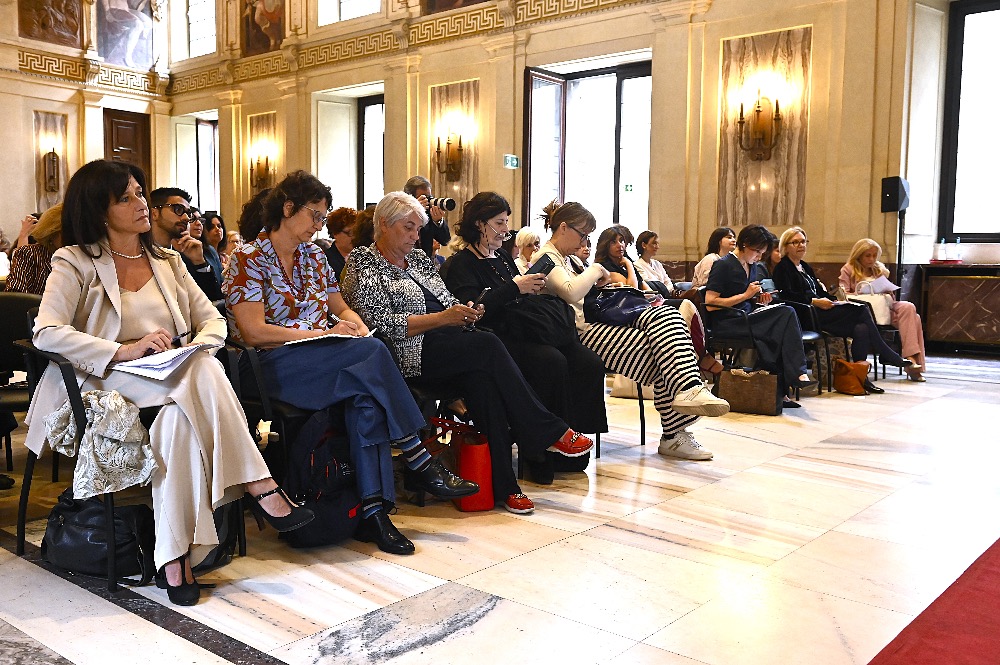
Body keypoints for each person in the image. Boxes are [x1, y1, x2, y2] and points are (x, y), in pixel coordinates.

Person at [24, 159, 313, 606]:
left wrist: (195, 346)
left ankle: (172, 559)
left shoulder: (168, 261)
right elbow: (47, 331)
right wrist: (123, 350)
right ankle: (260, 485)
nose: (143, 203)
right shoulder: (75, 259)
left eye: (140, 192)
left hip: (171, 377)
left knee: (180, 415)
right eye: (128, 197)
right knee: (200, 373)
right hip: (102, 382)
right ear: (100, 210)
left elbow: (213, 320)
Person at [225, 171, 479, 556]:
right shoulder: (248, 258)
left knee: (366, 397)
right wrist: (324, 337)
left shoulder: (313, 256)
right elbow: (255, 332)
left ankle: (375, 513)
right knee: (372, 356)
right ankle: (418, 457)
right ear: (288, 208)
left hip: (325, 360)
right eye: (315, 215)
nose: (318, 225)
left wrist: (355, 326)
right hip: (270, 366)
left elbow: (338, 305)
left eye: (322, 218)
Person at [342, 192, 595, 514]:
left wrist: (466, 311)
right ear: (382, 225)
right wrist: (443, 318)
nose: (414, 236)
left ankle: (506, 487)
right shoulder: (363, 263)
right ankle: (548, 429)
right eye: (408, 228)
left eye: (418, 229)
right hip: (407, 352)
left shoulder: (419, 260)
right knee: (489, 345)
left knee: (485, 383)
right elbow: (381, 325)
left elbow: (447, 300)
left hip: (449, 342)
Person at [536, 201, 729, 460]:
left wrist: (599, 276)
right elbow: (571, 292)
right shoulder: (545, 257)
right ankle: (676, 429)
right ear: (563, 228)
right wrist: (596, 270)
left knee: (668, 326)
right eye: (583, 234)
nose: (585, 241)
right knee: (667, 352)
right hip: (578, 334)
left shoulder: (568, 258)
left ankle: (685, 400)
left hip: (596, 325)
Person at [443, 192, 607, 484]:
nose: (506, 230)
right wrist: (517, 288)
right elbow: (473, 309)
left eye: (506, 222)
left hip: (522, 327)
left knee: (587, 361)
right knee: (550, 361)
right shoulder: (461, 264)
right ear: (480, 224)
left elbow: (515, 297)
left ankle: (574, 443)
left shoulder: (503, 258)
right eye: (499, 223)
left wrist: (528, 287)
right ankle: (540, 452)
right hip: (495, 336)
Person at [772, 227, 915, 394]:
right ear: (786, 246)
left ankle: (861, 379)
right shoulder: (783, 268)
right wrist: (815, 301)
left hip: (821, 312)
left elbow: (821, 292)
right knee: (861, 309)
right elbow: (787, 296)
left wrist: (833, 300)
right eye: (795, 242)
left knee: (861, 329)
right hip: (805, 315)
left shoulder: (804, 266)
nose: (800, 245)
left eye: (803, 241)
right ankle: (886, 354)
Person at [704, 224, 816, 406]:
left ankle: (780, 390)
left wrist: (758, 299)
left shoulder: (752, 265)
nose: (759, 257)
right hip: (729, 322)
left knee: (780, 327)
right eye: (757, 251)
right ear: (745, 244)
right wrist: (746, 295)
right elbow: (710, 303)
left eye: (762, 253)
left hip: (747, 317)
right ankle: (795, 375)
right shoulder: (723, 265)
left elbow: (748, 298)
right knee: (786, 312)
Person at [839, 238, 926, 381]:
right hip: (865, 310)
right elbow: (843, 295)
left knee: (909, 307)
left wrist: (885, 290)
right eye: (868, 255)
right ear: (859, 255)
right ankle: (912, 364)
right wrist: (863, 292)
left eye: (874, 255)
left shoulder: (879, 269)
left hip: (885, 307)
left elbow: (890, 296)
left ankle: (910, 359)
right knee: (915, 319)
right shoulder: (848, 269)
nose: (872, 259)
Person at [148, 187, 223, 301]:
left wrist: (199, 264)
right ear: (155, 213)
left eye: (188, 213)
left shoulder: (183, 255)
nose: (186, 218)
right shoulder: (137, 254)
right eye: (178, 210)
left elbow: (212, 300)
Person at [6, 204, 63, 295]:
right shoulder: (29, 253)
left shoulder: (80, 256)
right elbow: (16, 296)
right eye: (66, 232)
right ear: (51, 233)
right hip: (35, 308)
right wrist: (24, 233)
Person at [403, 175, 450, 257]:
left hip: (425, 262)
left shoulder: (429, 214)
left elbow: (445, 240)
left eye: (429, 197)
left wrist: (438, 221)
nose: (428, 200)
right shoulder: (401, 213)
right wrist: (414, 211)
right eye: (424, 197)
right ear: (410, 198)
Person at [323, 207, 356, 279]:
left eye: (356, 232)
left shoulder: (360, 256)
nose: (354, 237)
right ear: (335, 233)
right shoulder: (325, 260)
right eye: (349, 233)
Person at [201, 212, 229, 281]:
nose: (217, 229)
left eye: (219, 226)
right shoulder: (202, 255)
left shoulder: (225, 258)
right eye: (212, 227)